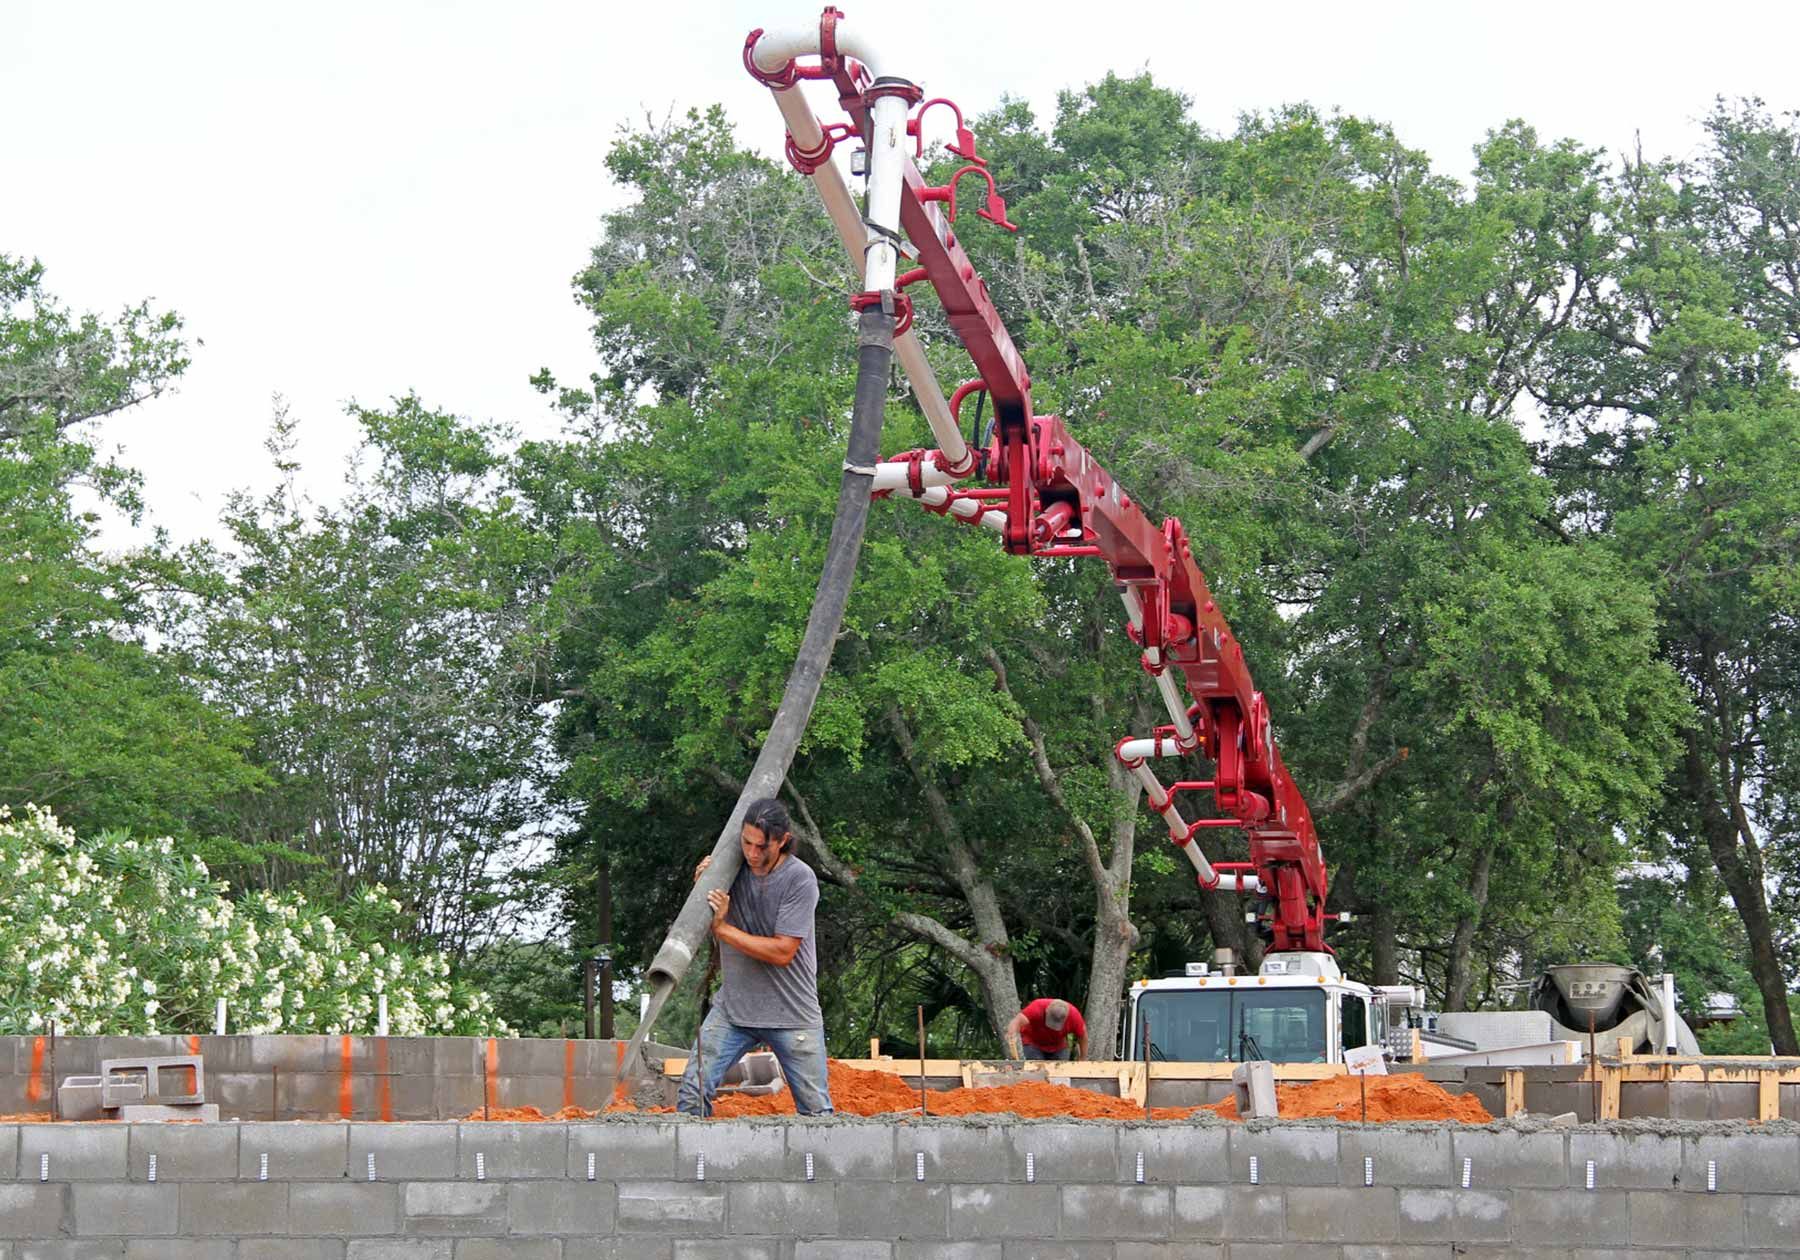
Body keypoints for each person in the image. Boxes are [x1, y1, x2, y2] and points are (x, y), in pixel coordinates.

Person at [675, 798, 833, 1116]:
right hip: (734, 1011)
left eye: (762, 847)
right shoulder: (732, 867)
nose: (752, 853)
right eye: (746, 843)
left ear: (783, 841)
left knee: (817, 1115)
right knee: (692, 1093)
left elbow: (783, 951)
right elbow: (704, 915)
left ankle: (817, 1166)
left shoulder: (799, 879)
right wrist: (703, 886)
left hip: (792, 1016)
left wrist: (723, 930)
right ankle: (700, 1165)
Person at [1007, 997, 1088, 1061]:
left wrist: (1082, 1058)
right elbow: (1017, 1021)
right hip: (1033, 1043)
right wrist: (1012, 1034)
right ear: (1046, 1010)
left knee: (1061, 1071)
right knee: (1036, 1070)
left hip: (1058, 1045)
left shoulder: (1074, 1016)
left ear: (1066, 1017)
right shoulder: (1037, 1007)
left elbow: (1083, 1037)